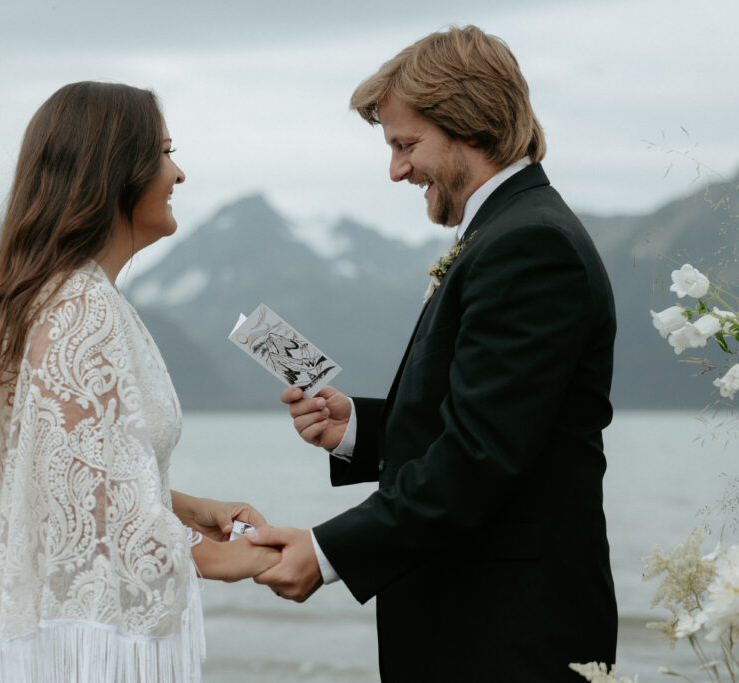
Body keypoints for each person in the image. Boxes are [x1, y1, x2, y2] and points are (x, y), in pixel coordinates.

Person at [247, 26, 618, 681]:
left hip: (508, 636)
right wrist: (357, 428)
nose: (396, 169)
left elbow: (479, 455)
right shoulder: (508, 231)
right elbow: (487, 420)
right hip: (478, 626)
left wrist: (326, 550)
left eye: (406, 144)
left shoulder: (531, 248)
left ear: (469, 127)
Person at [0, 81, 277, 683]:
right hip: (26, 651)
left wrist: (187, 507)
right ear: (115, 170)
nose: (178, 174)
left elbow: (60, 468)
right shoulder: (81, 307)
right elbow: (86, 495)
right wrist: (222, 558)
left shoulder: (58, 295)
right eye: (164, 152)